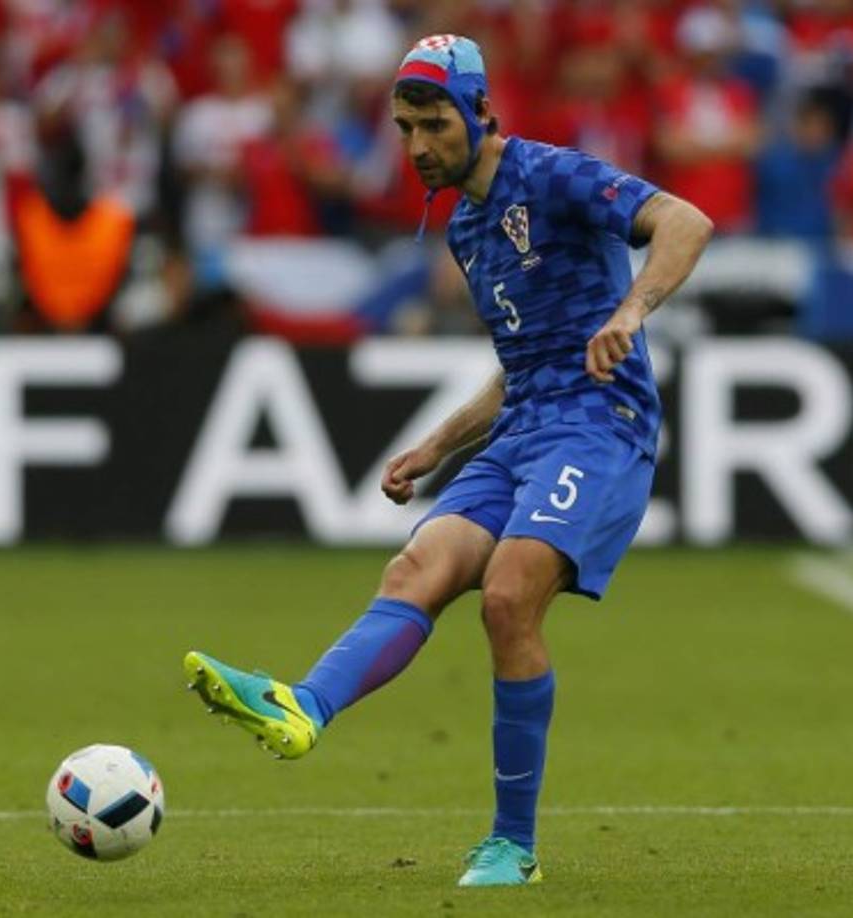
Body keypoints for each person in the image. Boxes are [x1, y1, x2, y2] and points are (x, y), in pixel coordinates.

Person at [184, 33, 713, 888]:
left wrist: (632, 310)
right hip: (526, 428)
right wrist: (436, 445)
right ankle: (304, 706)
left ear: (480, 113)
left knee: (507, 597)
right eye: (404, 129)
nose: (419, 145)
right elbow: (523, 366)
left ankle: (513, 847)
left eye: (433, 123)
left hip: (599, 426)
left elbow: (687, 221)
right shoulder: (466, 226)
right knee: (416, 567)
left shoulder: (552, 175)